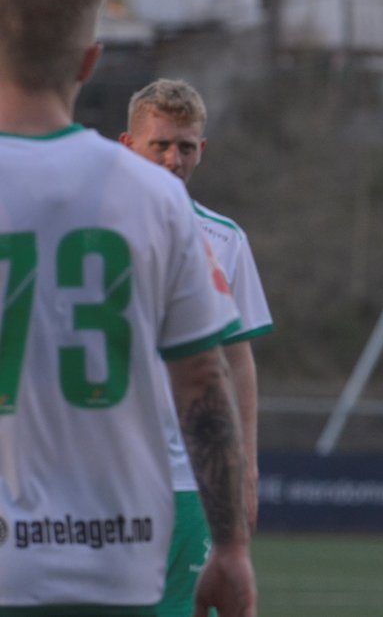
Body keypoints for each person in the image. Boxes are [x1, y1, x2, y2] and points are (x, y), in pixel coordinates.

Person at [0, 0, 256, 615]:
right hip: (115, 552)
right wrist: (231, 546)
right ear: (89, 60)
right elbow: (204, 378)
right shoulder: (156, 199)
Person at [119, 78, 273, 617]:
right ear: (127, 145)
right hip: (105, 471)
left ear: (201, 150)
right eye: (159, 144)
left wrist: (245, 467)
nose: (173, 159)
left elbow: (238, 359)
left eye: (185, 147)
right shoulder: (87, 229)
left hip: (190, 479)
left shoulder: (225, 239)